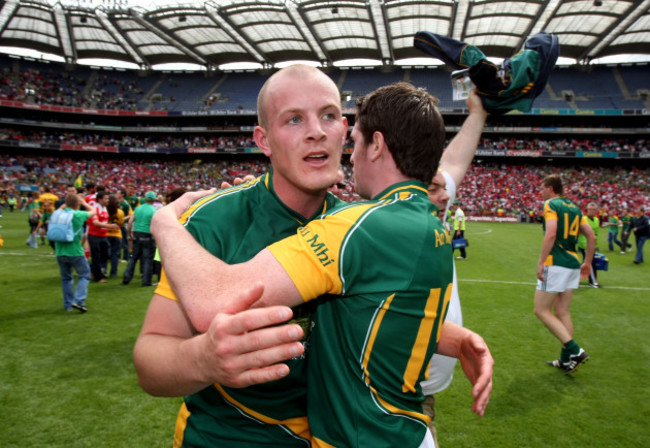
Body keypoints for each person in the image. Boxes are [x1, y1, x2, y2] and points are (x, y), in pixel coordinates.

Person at [142, 81, 493, 448]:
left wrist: (450, 336)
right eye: (293, 120)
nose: (316, 132)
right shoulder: (211, 219)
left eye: (328, 116)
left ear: (345, 132)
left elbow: (365, 317)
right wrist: (202, 361)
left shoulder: (355, 225)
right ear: (263, 141)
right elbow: (150, 359)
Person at [421, 89, 487, 445]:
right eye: (434, 188)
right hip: (399, 391)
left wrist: (477, 114)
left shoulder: (436, 218)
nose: (445, 194)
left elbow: (454, 163)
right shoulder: (391, 232)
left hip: (425, 389)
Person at [535, 174, 595, 374]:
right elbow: (591, 236)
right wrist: (587, 262)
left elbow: (551, 233)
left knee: (541, 310)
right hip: (573, 263)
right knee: (563, 311)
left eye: (542, 188)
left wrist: (541, 261)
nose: (541, 192)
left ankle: (575, 351)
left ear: (551, 188)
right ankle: (565, 360)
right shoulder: (576, 208)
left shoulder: (551, 204)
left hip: (556, 263)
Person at [54, 193, 96, 312]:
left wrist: (65, 205)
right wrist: (84, 203)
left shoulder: (58, 214)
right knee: (84, 275)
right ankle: (78, 300)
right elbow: (93, 211)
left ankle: (68, 305)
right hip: (75, 251)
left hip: (60, 251)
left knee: (66, 278)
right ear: (78, 204)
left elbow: (58, 210)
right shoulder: (78, 214)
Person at [123, 191, 157, 286]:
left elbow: (130, 222)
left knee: (134, 257)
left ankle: (126, 278)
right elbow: (155, 226)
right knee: (147, 259)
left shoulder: (138, 209)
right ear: (154, 200)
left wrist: (129, 234)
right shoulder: (154, 211)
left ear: (145, 199)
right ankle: (146, 281)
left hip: (137, 234)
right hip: (147, 235)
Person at [87, 190, 118, 283]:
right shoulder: (95, 209)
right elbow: (95, 223)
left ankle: (92, 270)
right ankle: (98, 277)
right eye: (106, 198)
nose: (108, 200)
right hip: (94, 235)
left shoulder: (104, 208)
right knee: (96, 256)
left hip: (103, 235)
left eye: (108, 198)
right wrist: (110, 226)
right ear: (100, 199)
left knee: (106, 254)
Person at [578, 202, 601, 287]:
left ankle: (570, 274)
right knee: (591, 262)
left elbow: (596, 234)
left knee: (586, 262)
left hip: (593, 245)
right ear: (587, 210)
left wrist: (597, 245)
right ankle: (593, 281)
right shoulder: (583, 219)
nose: (592, 211)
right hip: (585, 245)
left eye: (594, 210)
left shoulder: (596, 220)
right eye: (590, 209)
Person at [106, 194, 125, 278]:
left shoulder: (105, 211)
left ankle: (103, 270)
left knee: (105, 255)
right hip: (116, 234)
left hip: (106, 234)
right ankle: (113, 273)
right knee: (115, 255)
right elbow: (121, 224)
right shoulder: (120, 212)